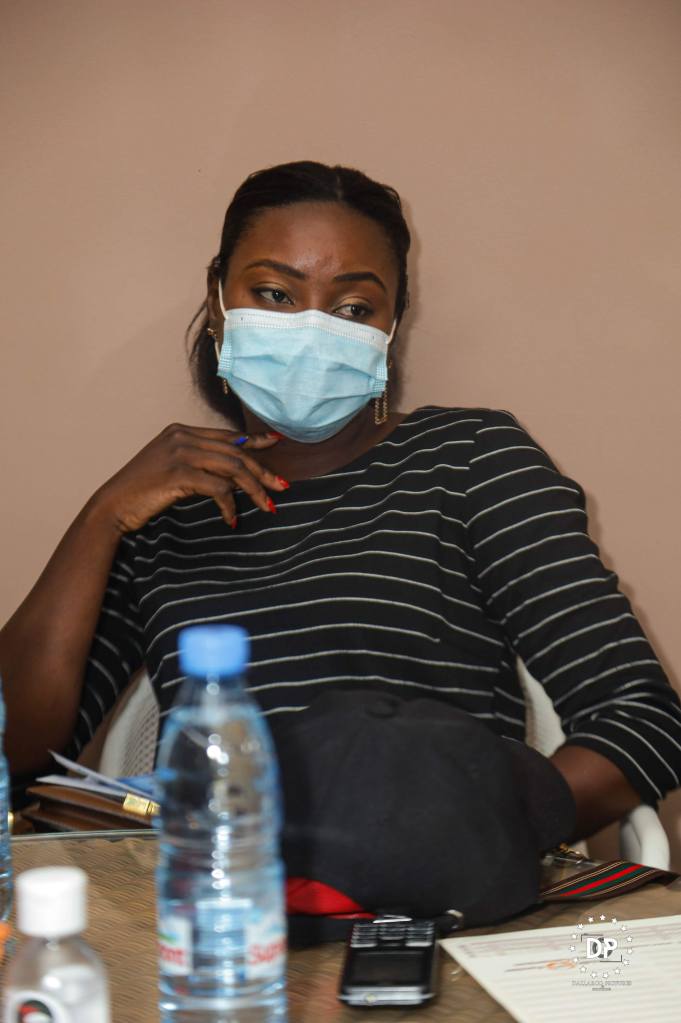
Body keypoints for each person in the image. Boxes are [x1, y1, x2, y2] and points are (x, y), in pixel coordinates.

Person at [2, 160, 680, 841]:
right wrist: (103, 517)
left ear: (390, 329)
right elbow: (17, 753)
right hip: (220, 891)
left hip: (430, 891)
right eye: (275, 293)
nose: (310, 329)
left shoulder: (469, 459)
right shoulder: (167, 510)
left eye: (353, 308)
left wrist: (469, 835)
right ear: (217, 301)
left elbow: (642, 720)